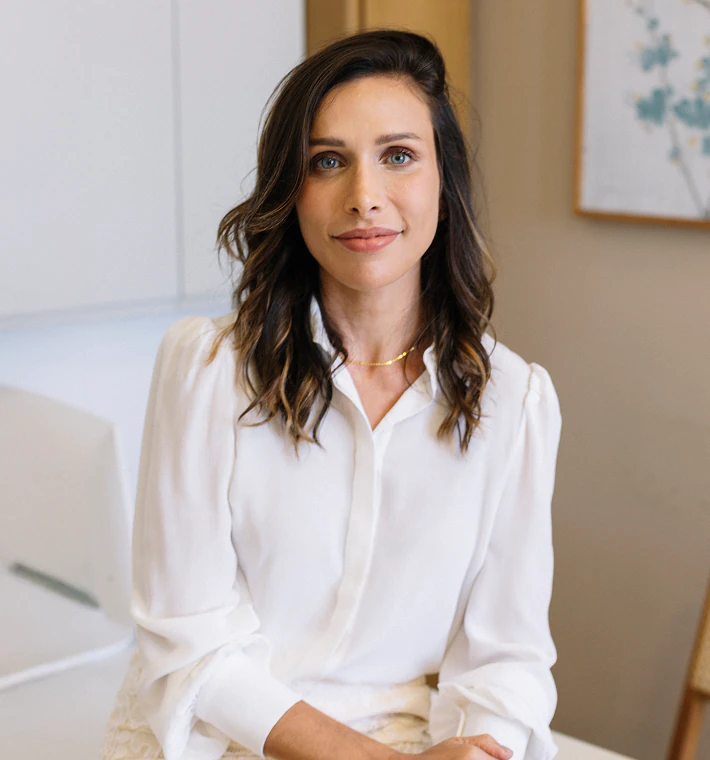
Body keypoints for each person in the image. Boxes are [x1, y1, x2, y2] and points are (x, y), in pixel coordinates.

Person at [99, 29, 562, 760]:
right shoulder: (207, 370)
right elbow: (188, 641)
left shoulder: (516, 402)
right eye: (327, 161)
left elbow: (508, 656)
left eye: (398, 156)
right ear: (293, 192)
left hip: (407, 738)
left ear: (445, 186)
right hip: (220, 738)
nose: (364, 198)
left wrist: (482, 748)